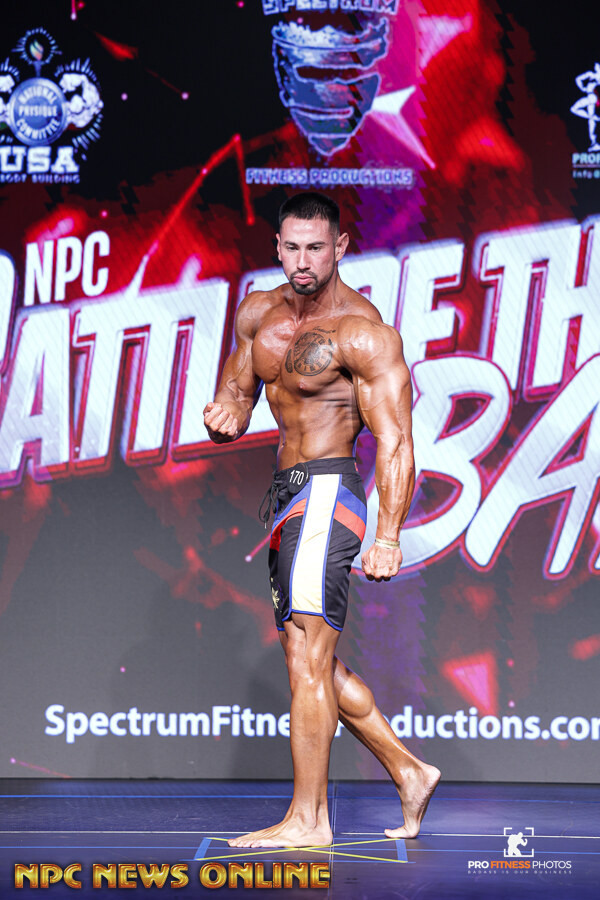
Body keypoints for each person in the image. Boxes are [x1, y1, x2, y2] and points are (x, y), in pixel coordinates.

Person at [203, 192, 440, 849]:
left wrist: (388, 534)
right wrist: (227, 413)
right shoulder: (258, 313)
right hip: (285, 496)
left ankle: (309, 819)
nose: (303, 261)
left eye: (316, 247)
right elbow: (238, 392)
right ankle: (410, 770)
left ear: (340, 247)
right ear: (277, 248)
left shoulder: (362, 332)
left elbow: (396, 441)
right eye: (292, 247)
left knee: (308, 655)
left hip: (331, 492)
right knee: (311, 657)